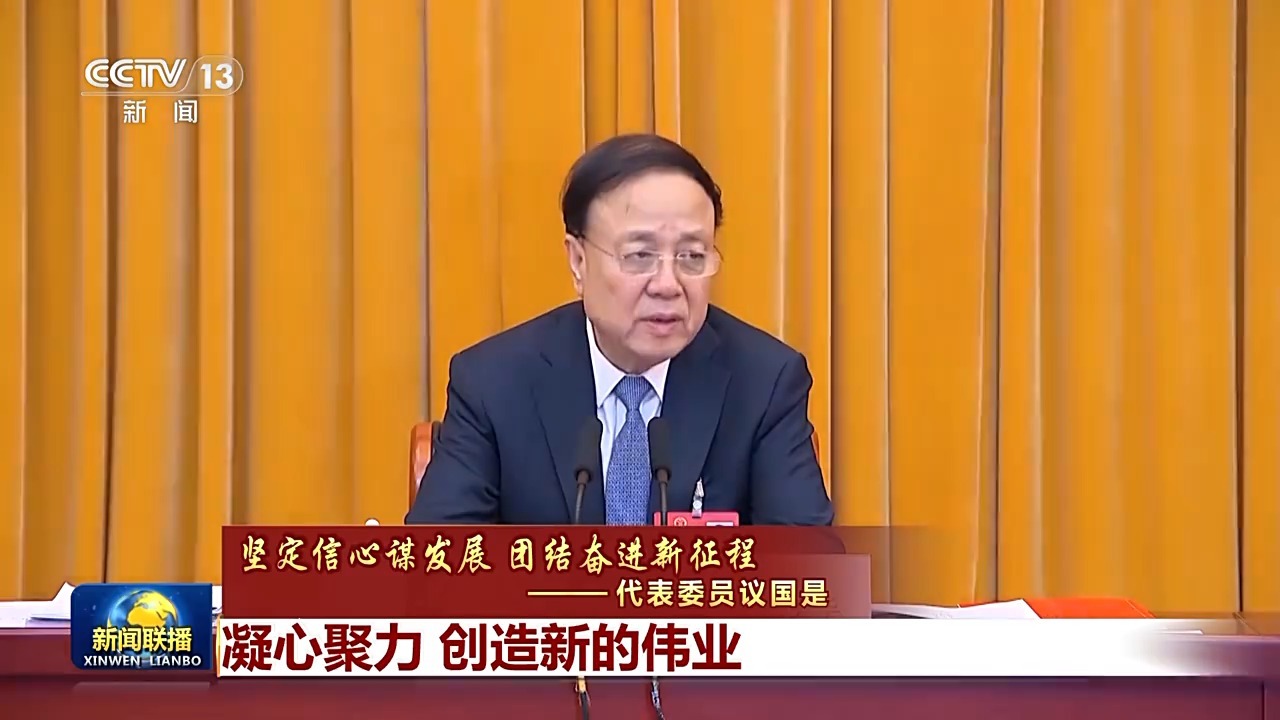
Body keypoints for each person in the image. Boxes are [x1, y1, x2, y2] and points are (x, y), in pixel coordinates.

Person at [406, 134, 834, 526]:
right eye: (639, 256)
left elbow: (805, 564)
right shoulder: (494, 382)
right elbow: (440, 560)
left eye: (691, 256)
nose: (667, 285)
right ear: (578, 262)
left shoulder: (764, 383)